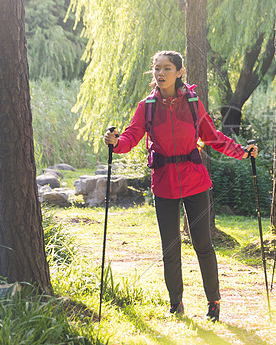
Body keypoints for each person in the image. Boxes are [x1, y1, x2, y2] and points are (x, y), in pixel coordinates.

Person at [104, 50, 257, 322]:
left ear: (179, 72)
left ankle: (213, 302)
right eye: (157, 69)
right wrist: (116, 144)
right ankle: (176, 303)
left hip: (195, 181)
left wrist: (241, 151)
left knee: (203, 244)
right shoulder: (147, 106)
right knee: (170, 246)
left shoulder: (193, 102)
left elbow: (212, 136)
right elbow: (131, 136)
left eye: (167, 68)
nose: (160, 73)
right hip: (163, 184)